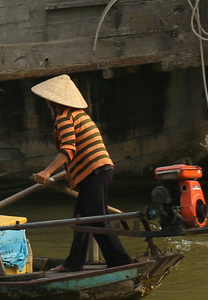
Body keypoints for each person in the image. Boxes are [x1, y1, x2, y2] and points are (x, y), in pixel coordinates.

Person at [30, 74, 133, 271]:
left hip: (95, 170)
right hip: (97, 170)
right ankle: (73, 263)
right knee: (81, 218)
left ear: (53, 102)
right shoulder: (79, 115)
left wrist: (47, 172)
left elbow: (68, 149)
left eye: (48, 101)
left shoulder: (64, 117)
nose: (47, 104)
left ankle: (121, 262)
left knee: (96, 219)